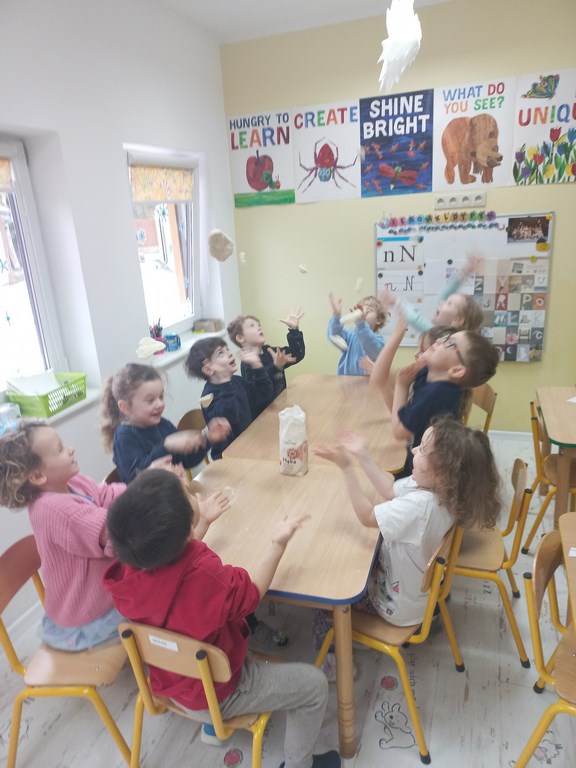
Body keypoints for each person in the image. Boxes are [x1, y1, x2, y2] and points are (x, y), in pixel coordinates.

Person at [103, 470, 341, 768]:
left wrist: (199, 523)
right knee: (314, 686)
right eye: (188, 493)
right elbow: (252, 595)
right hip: (220, 692)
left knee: (212, 639)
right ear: (185, 528)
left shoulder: (129, 573)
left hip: (171, 682)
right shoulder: (204, 574)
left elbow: (171, 572)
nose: (191, 488)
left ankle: (212, 727)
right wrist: (277, 544)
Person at [0, 421, 230, 652]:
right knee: (169, 599)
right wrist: (184, 508)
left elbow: (108, 495)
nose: (70, 449)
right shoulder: (56, 511)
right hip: (89, 617)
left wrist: (146, 479)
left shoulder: (69, 481)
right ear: (38, 476)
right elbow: (123, 538)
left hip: (101, 594)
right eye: (60, 449)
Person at [312, 417, 500, 664]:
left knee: (323, 594)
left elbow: (367, 516)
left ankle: (333, 658)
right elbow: (390, 490)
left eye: (422, 450)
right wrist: (363, 455)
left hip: (393, 605)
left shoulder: (419, 508)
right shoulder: (446, 491)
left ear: (442, 473)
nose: (413, 450)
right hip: (413, 593)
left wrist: (347, 468)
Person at [370, 308, 499, 477]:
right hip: (417, 457)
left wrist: (402, 386)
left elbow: (400, 431)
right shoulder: (429, 373)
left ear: (456, 370)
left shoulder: (439, 392)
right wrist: (397, 334)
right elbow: (380, 379)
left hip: (423, 472)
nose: (439, 340)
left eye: (449, 342)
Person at [101, 363, 230, 483]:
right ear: (125, 407)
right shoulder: (124, 437)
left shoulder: (163, 425)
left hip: (175, 489)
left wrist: (208, 439)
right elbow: (138, 480)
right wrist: (166, 446)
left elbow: (187, 461)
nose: (160, 404)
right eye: (150, 400)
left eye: (161, 397)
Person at [184, 337, 274, 460]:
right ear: (208, 369)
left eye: (227, 349)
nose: (230, 353)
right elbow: (230, 416)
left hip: (250, 442)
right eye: (221, 353)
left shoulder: (236, 381)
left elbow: (264, 394)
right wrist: (225, 382)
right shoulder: (208, 398)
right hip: (228, 456)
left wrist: (257, 366)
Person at [381, 250, 485, 334]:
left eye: (449, 303)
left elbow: (415, 319)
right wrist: (465, 271)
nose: (442, 302)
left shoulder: (442, 337)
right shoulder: (449, 337)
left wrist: (396, 301)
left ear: (458, 320)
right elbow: (443, 294)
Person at [227, 308, 305, 416]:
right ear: (240, 338)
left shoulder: (269, 351)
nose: (259, 327)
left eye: (259, 325)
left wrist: (294, 330)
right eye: (252, 326)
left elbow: (297, 355)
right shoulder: (248, 363)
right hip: (264, 416)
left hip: (281, 408)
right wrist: (276, 367)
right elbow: (260, 395)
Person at [327, 293, 388, 375]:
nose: (364, 312)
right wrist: (336, 315)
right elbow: (334, 335)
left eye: (369, 310)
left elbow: (368, 342)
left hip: (367, 382)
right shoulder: (349, 335)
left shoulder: (379, 341)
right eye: (362, 309)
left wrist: (361, 323)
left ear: (378, 320)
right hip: (346, 381)